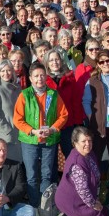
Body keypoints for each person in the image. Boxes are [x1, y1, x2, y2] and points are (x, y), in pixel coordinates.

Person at [13, 63, 69, 207]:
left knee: (47, 174)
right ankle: (33, 206)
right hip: (29, 140)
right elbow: (17, 119)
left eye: (42, 75)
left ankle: (45, 207)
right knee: (31, 176)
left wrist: (53, 129)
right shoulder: (24, 95)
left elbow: (63, 115)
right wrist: (32, 131)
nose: (40, 79)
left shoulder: (53, 94)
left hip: (49, 140)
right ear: (30, 78)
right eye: (36, 76)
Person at [55, 126, 107, 216]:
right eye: (84, 141)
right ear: (75, 143)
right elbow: (83, 190)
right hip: (71, 201)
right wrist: (94, 204)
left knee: (104, 212)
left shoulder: (90, 154)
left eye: (89, 140)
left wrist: (95, 199)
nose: (88, 144)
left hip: (83, 199)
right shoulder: (77, 162)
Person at [0, 60, 23, 162]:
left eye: (8, 70)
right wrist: (8, 130)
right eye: (2, 71)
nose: (6, 73)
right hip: (5, 137)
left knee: (19, 167)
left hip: (20, 134)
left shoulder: (18, 89)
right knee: (7, 166)